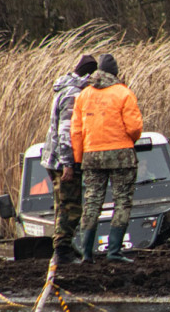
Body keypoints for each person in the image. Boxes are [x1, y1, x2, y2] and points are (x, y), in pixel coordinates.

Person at [71, 53, 143, 263]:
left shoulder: (84, 95)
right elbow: (135, 127)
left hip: (91, 156)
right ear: (115, 73)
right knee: (122, 201)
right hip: (121, 154)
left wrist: (78, 159)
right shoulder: (124, 93)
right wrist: (130, 141)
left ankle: (86, 254)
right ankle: (113, 252)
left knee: (92, 202)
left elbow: (76, 130)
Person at [39, 54, 96, 264]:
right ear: (88, 75)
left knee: (62, 204)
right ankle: (63, 250)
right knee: (70, 205)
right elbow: (66, 132)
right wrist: (68, 164)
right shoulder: (73, 94)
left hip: (52, 158)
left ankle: (65, 246)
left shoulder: (64, 88)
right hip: (63, 161)